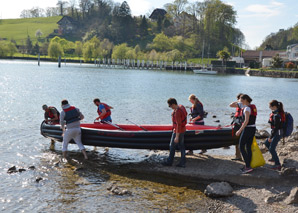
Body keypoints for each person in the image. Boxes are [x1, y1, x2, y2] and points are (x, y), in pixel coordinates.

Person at [162, 98, 187, 168]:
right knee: (182, 146)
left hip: (178, 131)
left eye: (170, 106)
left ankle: (169, 162)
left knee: (172, 146)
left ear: (173, 104)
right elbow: (186, 114)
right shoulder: (181, 106)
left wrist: (177, 136)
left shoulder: (177, 113)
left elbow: (178, 125)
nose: (170, 107)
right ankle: (183, 162)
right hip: (183, 129)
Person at [236, 94, 257, 174]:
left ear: (245, 100)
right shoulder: (252, 106)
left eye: (241, 100)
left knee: (241, 146)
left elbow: (246, 121)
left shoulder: (247, 108)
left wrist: (239, 130)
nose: (240, 101)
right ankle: (248, 165)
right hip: (253, 128)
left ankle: (247, 167)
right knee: (248, 147)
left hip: (247, 129)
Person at [264, 100, 285, 171]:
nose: (269, 107)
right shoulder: (276, 113)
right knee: (266, 143)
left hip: (277, 133)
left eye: (270, 106)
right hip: (276, 132)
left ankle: (278, 164)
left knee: (271, 148)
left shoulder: (276, 115)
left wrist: (271, 137)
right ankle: (273, 157)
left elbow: (276, 128)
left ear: (274, 106)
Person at [229, 93, 244, 161]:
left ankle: (238, 156)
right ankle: (239, 156)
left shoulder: (240, 104)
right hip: (242, 124)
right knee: (239, 141)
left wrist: (237, 101)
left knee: (237, 141)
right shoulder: (246, 105)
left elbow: (231, 105)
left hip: (239, 125)